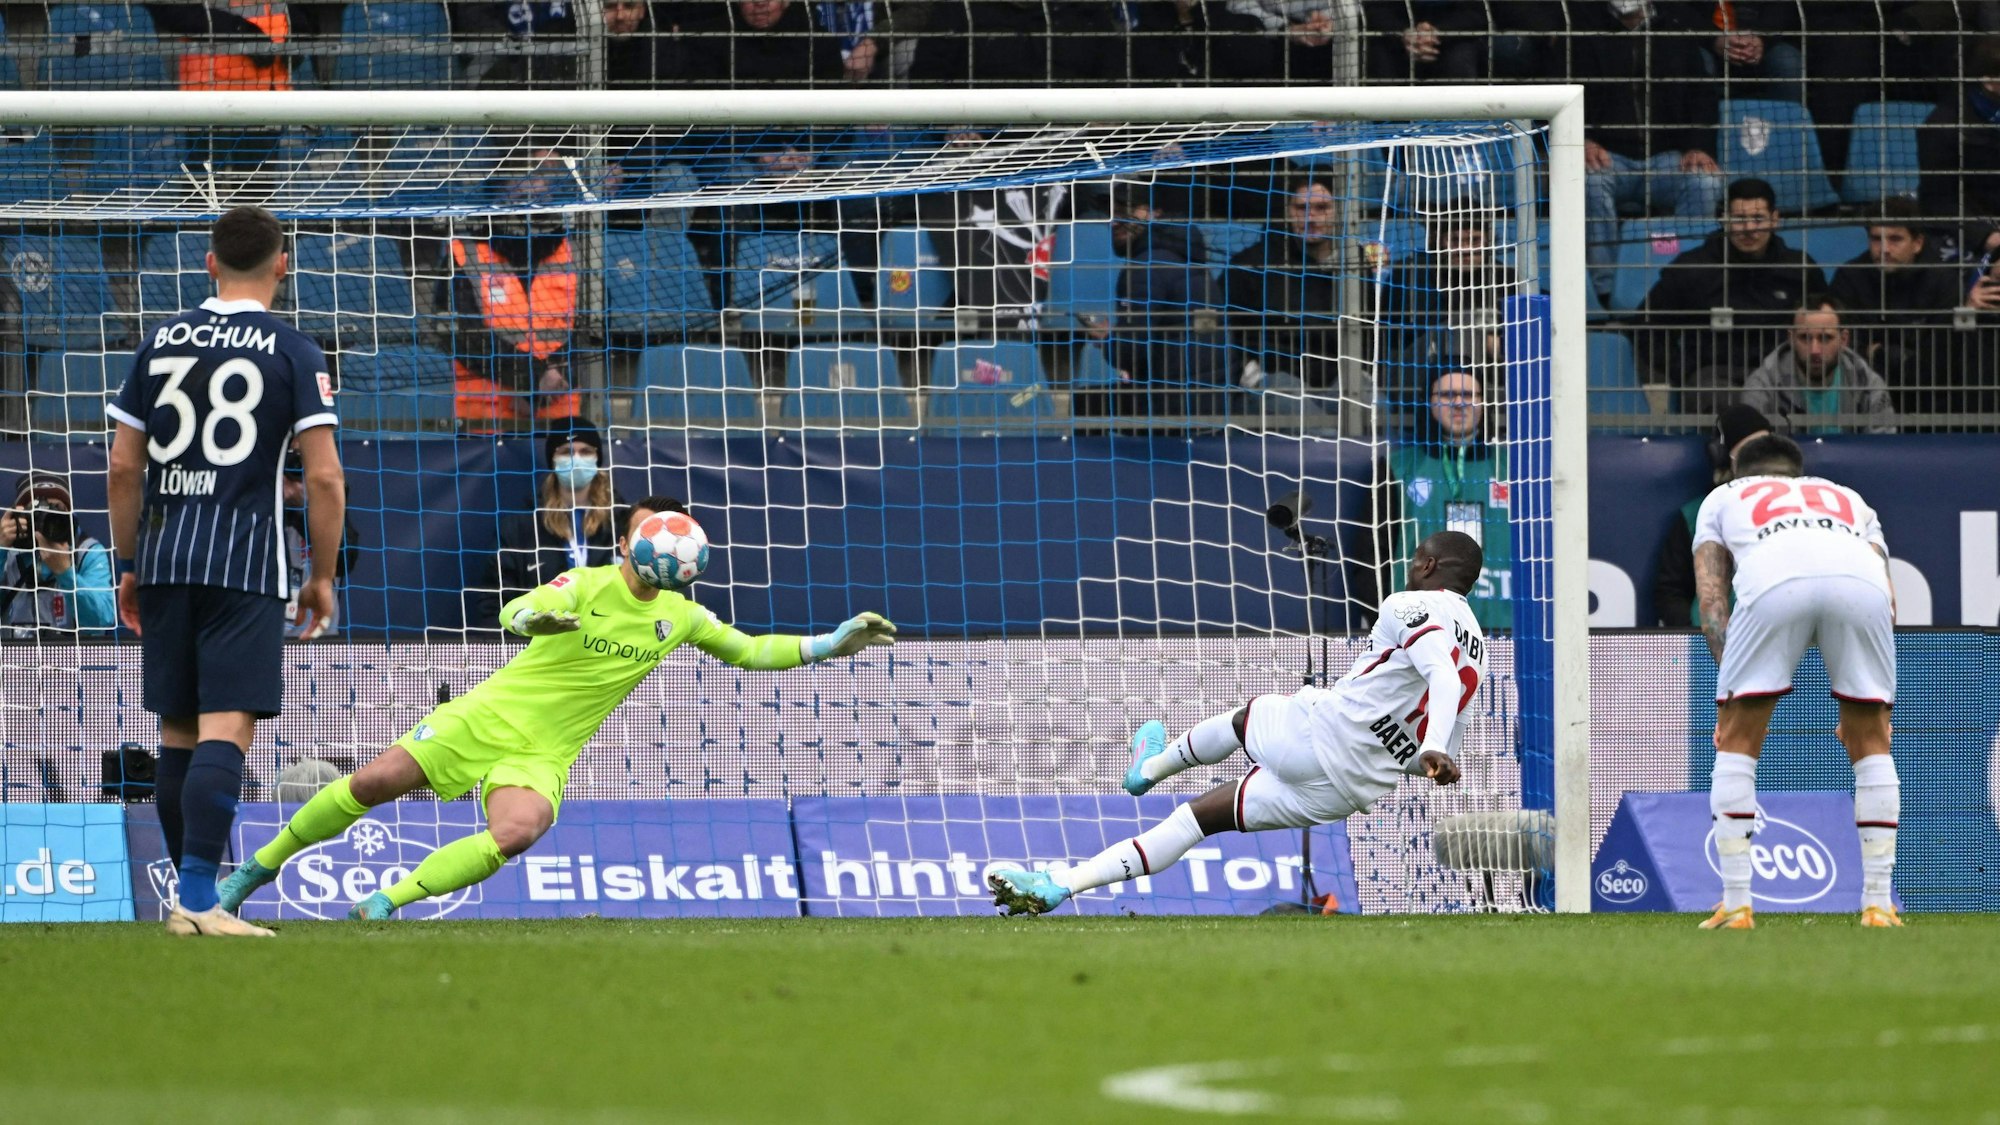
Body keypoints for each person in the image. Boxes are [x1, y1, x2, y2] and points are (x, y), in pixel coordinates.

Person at [218, 496, 898, 921]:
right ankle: (257, 868)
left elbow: (749, 651)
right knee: (372, 782)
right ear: (629, 544)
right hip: (486, 716)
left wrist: (826, 645)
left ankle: (383, 903)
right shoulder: (587, 582)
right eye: (641, 533)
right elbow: (520, 608)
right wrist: (533, 618)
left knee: (518, 831)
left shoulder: (683, 617)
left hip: (543, 752)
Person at [987, 531, 1486, 916]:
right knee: (1196, 821)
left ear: (1428, 565)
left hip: (1317, 738)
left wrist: (1430, 746)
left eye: (1414, 559)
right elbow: (1433, 754)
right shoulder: (1479, 653)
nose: (1409, 567)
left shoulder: (1410, 604)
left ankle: (1149, 768)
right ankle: (1059, 886)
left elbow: (1440, 682)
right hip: (1345, 792)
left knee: (1245, 718)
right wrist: (1429, 753)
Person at [104, 204, 347, 937]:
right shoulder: (294, 350)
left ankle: (190, 901)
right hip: (245, 561)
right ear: (283, 265)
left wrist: (128, 562)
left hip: (166, 557)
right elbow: (324, 476)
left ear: (209, 263)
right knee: (227, 727)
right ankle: (201, 900)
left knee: (179, 730)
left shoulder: (159, 342)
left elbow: (122, 466)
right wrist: (323, 575)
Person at [1690, 433, 1901, 929]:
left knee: (1738, 744)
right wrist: (1875, 708)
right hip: (1862, 582)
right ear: (1798, 473)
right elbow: (1885, 594)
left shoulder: (1722, 497)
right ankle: (1878, 904)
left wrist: (1730, 696)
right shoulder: (1848, 497)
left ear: (1737, 471)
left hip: (1774, 577)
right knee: (1872, 746)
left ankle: (1736, 905)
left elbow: (1712, 601)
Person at [1568, 0, 1725, 305]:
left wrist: (1698, 146)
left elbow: (1702, 96)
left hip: (1667, 158)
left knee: (1705, 182)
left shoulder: (1676, 30)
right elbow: (1561, 91)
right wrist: (1582, 139)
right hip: (1608, 157)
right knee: (1588, 182)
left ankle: (1690, 280)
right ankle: (1606, 289)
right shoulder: (1582, 31)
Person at [1640, 178, 1826, 411]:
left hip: (1782, 374)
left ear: (1775, 219)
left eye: (1758, 219)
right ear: (1724, 219)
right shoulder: (1692, 268)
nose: (1748, 229)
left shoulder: (1799, 268)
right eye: (1739, 219)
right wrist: (1686, 370)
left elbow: (1828, 322)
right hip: (1714, 377)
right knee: (1723, 403)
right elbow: (1645, 327)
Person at [1355, 368, 1512, 631]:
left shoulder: (1513, 468)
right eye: (1448, 395)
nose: (1459, 403)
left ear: (1483, 402)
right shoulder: (1397, 468)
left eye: (1469, 394)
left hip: (1504, 629)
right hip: (1420, 632)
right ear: (1429, 402)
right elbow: (1370, 556)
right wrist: (1387, 625)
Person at [447, 154, 582, 428]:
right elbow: (460, 334)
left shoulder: (573, 251)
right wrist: (531, 380)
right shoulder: (465, 252)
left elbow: (592, 328)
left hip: (558, 420)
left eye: (538, 179)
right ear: (500, 187)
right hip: (484, 420)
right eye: (520, 178)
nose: (531, 188)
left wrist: (548, 381)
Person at [466, 418, 618, 635]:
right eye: (566, 452)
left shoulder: (621, 523)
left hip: (605, 645)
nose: (576, 459)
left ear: (597, 458)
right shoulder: (519, 529)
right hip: (537, 645)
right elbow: (493, 602)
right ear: (552, 460)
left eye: (585, 451)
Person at [1090, 191, 1230, 418]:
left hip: (1170, 406)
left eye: (1126, 211)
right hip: (1211, 402)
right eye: (1112, 214)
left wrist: (1107, 339)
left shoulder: (1145, 267)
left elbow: (1129, 350)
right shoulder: (1185, 256)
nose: (1115, 221)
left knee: (1089, 407)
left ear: (1155, 212)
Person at [1827, 199, 1966, 416]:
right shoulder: (1850, 277)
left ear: (1917, 243)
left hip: (1929, 405)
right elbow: (1843, 353)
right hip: (1861, 402)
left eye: (1895, 239)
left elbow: (1939, 363)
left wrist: (1879, 353)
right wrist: (1903, 356)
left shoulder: (1944, 282)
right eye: (1876, 239)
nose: (1884, 249)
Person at [1653, 404, 1771, 628]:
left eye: (1768, 451)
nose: (1761, 462)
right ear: (1725, 459)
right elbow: (1671, 591)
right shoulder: (1694, 515)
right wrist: (1696, 633)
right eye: (1750, 453)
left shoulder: (1802, 510)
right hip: (1712, 640)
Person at [1225, 178, 1341, 393]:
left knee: (1375, 403)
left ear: (1338, 211)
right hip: (1275, 379)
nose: (1310, 217)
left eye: (1322, 208)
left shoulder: (1356, 263)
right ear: (1287, 211)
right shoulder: (1250, 265)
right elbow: (1223, 325)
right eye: (1302, 208)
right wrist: (1247, 369)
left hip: (1341, 379)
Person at [1740, 303, 1898, 434]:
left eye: (1825, 338)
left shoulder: (1867, 382)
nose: (1815, 350)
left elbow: (1883, 446)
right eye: (1805, 338)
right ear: (1791, 338)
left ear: (1843, 339)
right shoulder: (1763, 385)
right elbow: (1751, 451)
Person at [1, 471, 115, 637]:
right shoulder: (9, 554)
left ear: (69, 513)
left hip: (74, 652)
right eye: (37, 513)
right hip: (14, 652)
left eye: (56, 510)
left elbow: (101, 621)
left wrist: (65, 573)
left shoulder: (87, 552)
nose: (45, 520)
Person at [280, 451, 360, 640]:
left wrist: (298, 510)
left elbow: (344, 561)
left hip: (320, 635)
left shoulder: (326, 497)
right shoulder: (260, 499)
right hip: (270, 633)